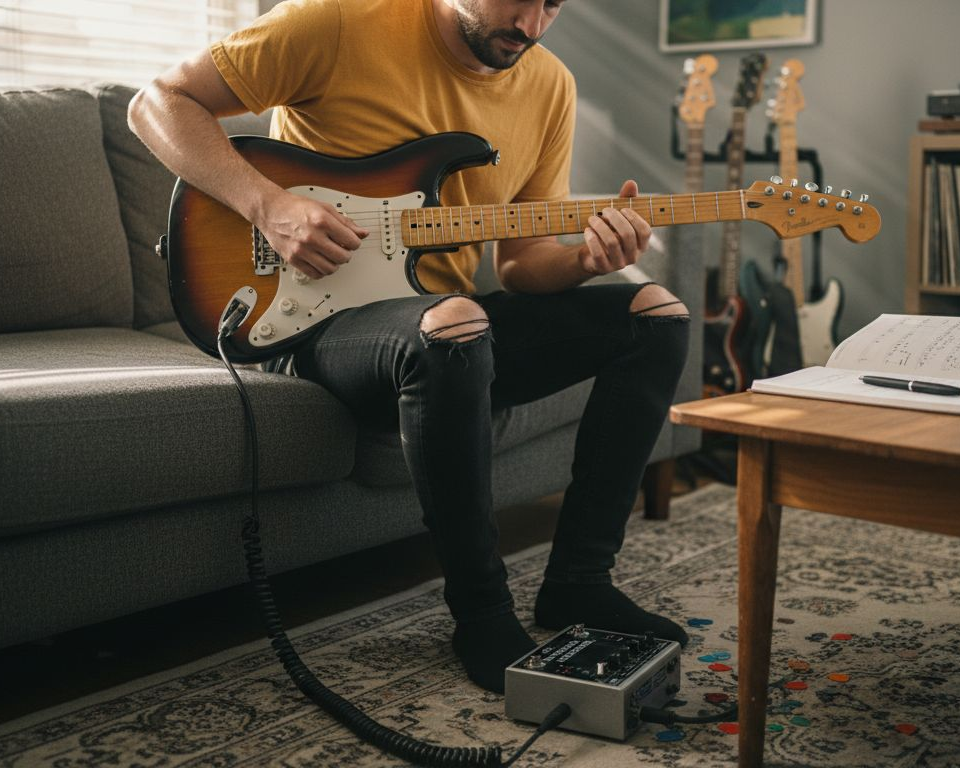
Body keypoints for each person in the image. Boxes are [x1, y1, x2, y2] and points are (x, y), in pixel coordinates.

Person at [129, 0, 691, 694]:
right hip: (309, 319)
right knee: (454, 324)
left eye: (555, 4)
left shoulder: (549, 85)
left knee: (654, 313)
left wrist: (586, 262)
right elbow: (158, 102)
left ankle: (579, 581)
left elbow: (521, 264)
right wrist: (268, 206)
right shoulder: (336, 20)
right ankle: (481, 611)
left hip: (445, 324)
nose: (535, 23)